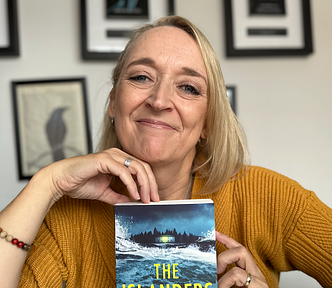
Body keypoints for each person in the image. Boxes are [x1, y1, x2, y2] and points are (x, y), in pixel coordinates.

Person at [0, 15, 331, 288]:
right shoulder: (65, 220)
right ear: (113, 103)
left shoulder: (268, 197)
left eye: (188, 87)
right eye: (142, 77)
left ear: (207, 123)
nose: (158, 101)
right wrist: (48, 181)